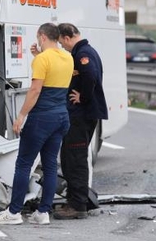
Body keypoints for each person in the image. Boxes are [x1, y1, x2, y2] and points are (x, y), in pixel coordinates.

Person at [0, 23, 73, 226]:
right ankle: (43, 212)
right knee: (50, 164)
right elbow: (53, 74)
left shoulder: (43, 59)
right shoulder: (67, 57)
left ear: (42, 37)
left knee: (24, 164)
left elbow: (35, 90)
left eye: (38, 38)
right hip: (61, 116)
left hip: (42, 118)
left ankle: (14, 212)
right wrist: (39, 56)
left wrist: (20, 116)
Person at [53, 22, 108, 220]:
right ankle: (76, 201)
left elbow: (91, 75)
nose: (62, 47)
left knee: (75, 159)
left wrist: (82, 97)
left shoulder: (83, 54)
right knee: (69, 157)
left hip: (82, 115)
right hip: (80, 116)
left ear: (67, 38)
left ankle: (78, 206)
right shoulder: (82, 52)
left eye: (62, 43)